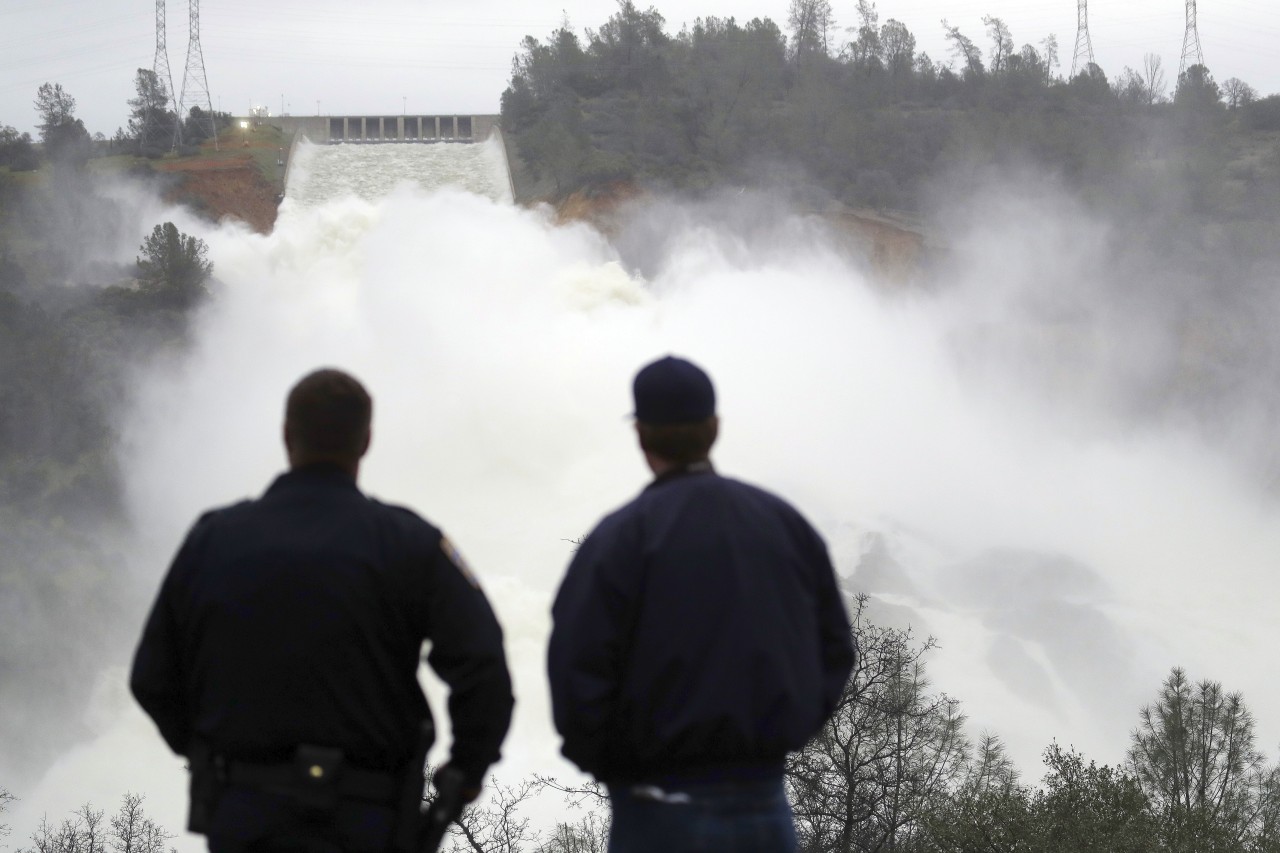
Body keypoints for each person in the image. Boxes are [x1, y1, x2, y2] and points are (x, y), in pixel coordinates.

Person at [130, 368, 514, 853]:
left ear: (287, 434)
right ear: (366, 441)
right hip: (367, 816)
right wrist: (464, 774)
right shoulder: (410, 542)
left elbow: (152, 677)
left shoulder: (213, 539)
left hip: (247, 811)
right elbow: (483, 667)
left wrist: (207, 753)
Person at [547, 355, 856, 853]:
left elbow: (574, 667)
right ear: (714, 428)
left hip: (656, 808)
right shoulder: (784, 524)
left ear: (642, 436)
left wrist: (613, 765)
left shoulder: (619, 538)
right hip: (765, 806)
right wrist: (789, 732)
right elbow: (836, 648)